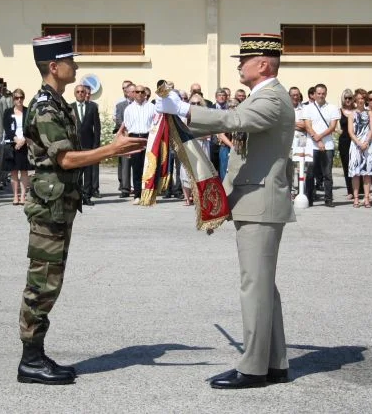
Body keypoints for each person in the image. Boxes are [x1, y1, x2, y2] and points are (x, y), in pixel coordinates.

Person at [157, 32, 294, 389]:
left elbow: (232, 122)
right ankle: (275, 363)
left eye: (244, 60)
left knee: (255, 286)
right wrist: (226, 199)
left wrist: (184, 110)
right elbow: (242, 156)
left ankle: (253, 369)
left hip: (262, 204)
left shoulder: (272, 99)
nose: (238, 65)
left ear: (263, 64)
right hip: (253, 201)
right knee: (264, 287)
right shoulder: (263, 96)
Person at [17, 33, 146, 385]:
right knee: (42, 283)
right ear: (54, 66)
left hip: (60, 205)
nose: (76, 66)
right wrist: (111, 150)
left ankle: (37, 354)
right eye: (70, 61)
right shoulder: (45, 107)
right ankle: (30, 360)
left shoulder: (58, 103)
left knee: (50, 282)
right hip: (49, 208)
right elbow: (66, 158)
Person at [303, 83, 339, 207]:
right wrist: (317, 140)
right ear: (314, 94)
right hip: (312, 145)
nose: (321, 96)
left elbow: (333, 126)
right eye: (318, 93)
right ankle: (309, 198)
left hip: (327, 145)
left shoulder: (333, 108)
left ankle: (328, 199)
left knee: (327, 174)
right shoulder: (307, 108)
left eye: (323, 93)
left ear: (326, 94)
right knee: (310, 174)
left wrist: (321, 137)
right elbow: (308, 126)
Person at [123, 85, 156, 204]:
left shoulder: (152, 107)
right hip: (134, 138)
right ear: (134, 93)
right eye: (137, 92)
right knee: (136, 168)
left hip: (148, 138)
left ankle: (148, 194)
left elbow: (155, 125)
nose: (140, 94)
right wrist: (127, 147)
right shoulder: (129, 109)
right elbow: (126, 129)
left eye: (142, 92)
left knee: (148, 167)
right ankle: (137, 195)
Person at [2, 88, 34, 206]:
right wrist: (16, 140)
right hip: (12, 144)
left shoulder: (28, 111)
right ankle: (15, 195)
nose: (19, 100)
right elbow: (6, 127)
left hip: (25, 143)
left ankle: (23, 196)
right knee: (14, 172)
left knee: (24, 171)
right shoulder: (7, 112)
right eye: (16, 98)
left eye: (21, 97)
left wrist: (23, 140)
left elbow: (31, 127)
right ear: (13, 99)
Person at [70, 84, 100, 206]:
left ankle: (87, 196)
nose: (81, 93)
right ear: (75, 93)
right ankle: (77, 196)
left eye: (82, 91)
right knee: (77, 173)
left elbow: (97, 127)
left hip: (89, 144)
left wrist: (96, 145)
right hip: (75, 145)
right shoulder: (69, 108)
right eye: (78, 92)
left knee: (88, 173)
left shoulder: (92, 107)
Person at [347, 89, 372, 207]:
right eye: (358, 98)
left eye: (363, 98)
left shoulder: (369, 112)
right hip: (356, 145)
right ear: (355, 99)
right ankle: (355, 198)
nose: (360, 100)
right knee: (355, 173)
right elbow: (350, 131)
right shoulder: (352, 114)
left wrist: (366, 142)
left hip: (368, 145)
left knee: (367, 172)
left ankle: (366, 198)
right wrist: (359, 143)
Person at [179, 94, 210, 205]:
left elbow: (208, 134)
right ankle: (187, 198)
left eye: (198, 103)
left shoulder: (205, 117)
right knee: (185, 171)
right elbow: (182, 132)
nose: (196, 105)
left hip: (202, 146)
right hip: (187, 145)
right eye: (193, 103)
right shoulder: (183, 116)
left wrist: (192, 134)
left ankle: (200, 197)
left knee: (202, 172)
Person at [114, 83, 135, 197]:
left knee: (138, 163)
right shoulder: (120, 106)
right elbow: (118, 120)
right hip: (125, 137)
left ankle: (138, 188)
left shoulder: (140, 105)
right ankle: (125, 189)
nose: (135, 93)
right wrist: (126, 130)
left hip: (137, 136)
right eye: (133, 91)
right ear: (127, 93)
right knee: (125, 164)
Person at [337, 88, 355, 199]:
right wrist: (341, 131)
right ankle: (350, 190)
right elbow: (334, 126)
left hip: (356, 140)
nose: (348, 100)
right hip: (344, 141)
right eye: (346, 98)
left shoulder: (357, 110)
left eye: (350, 98)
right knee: (347, 166)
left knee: (357, 164)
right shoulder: (339, 111)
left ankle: (360, 189)